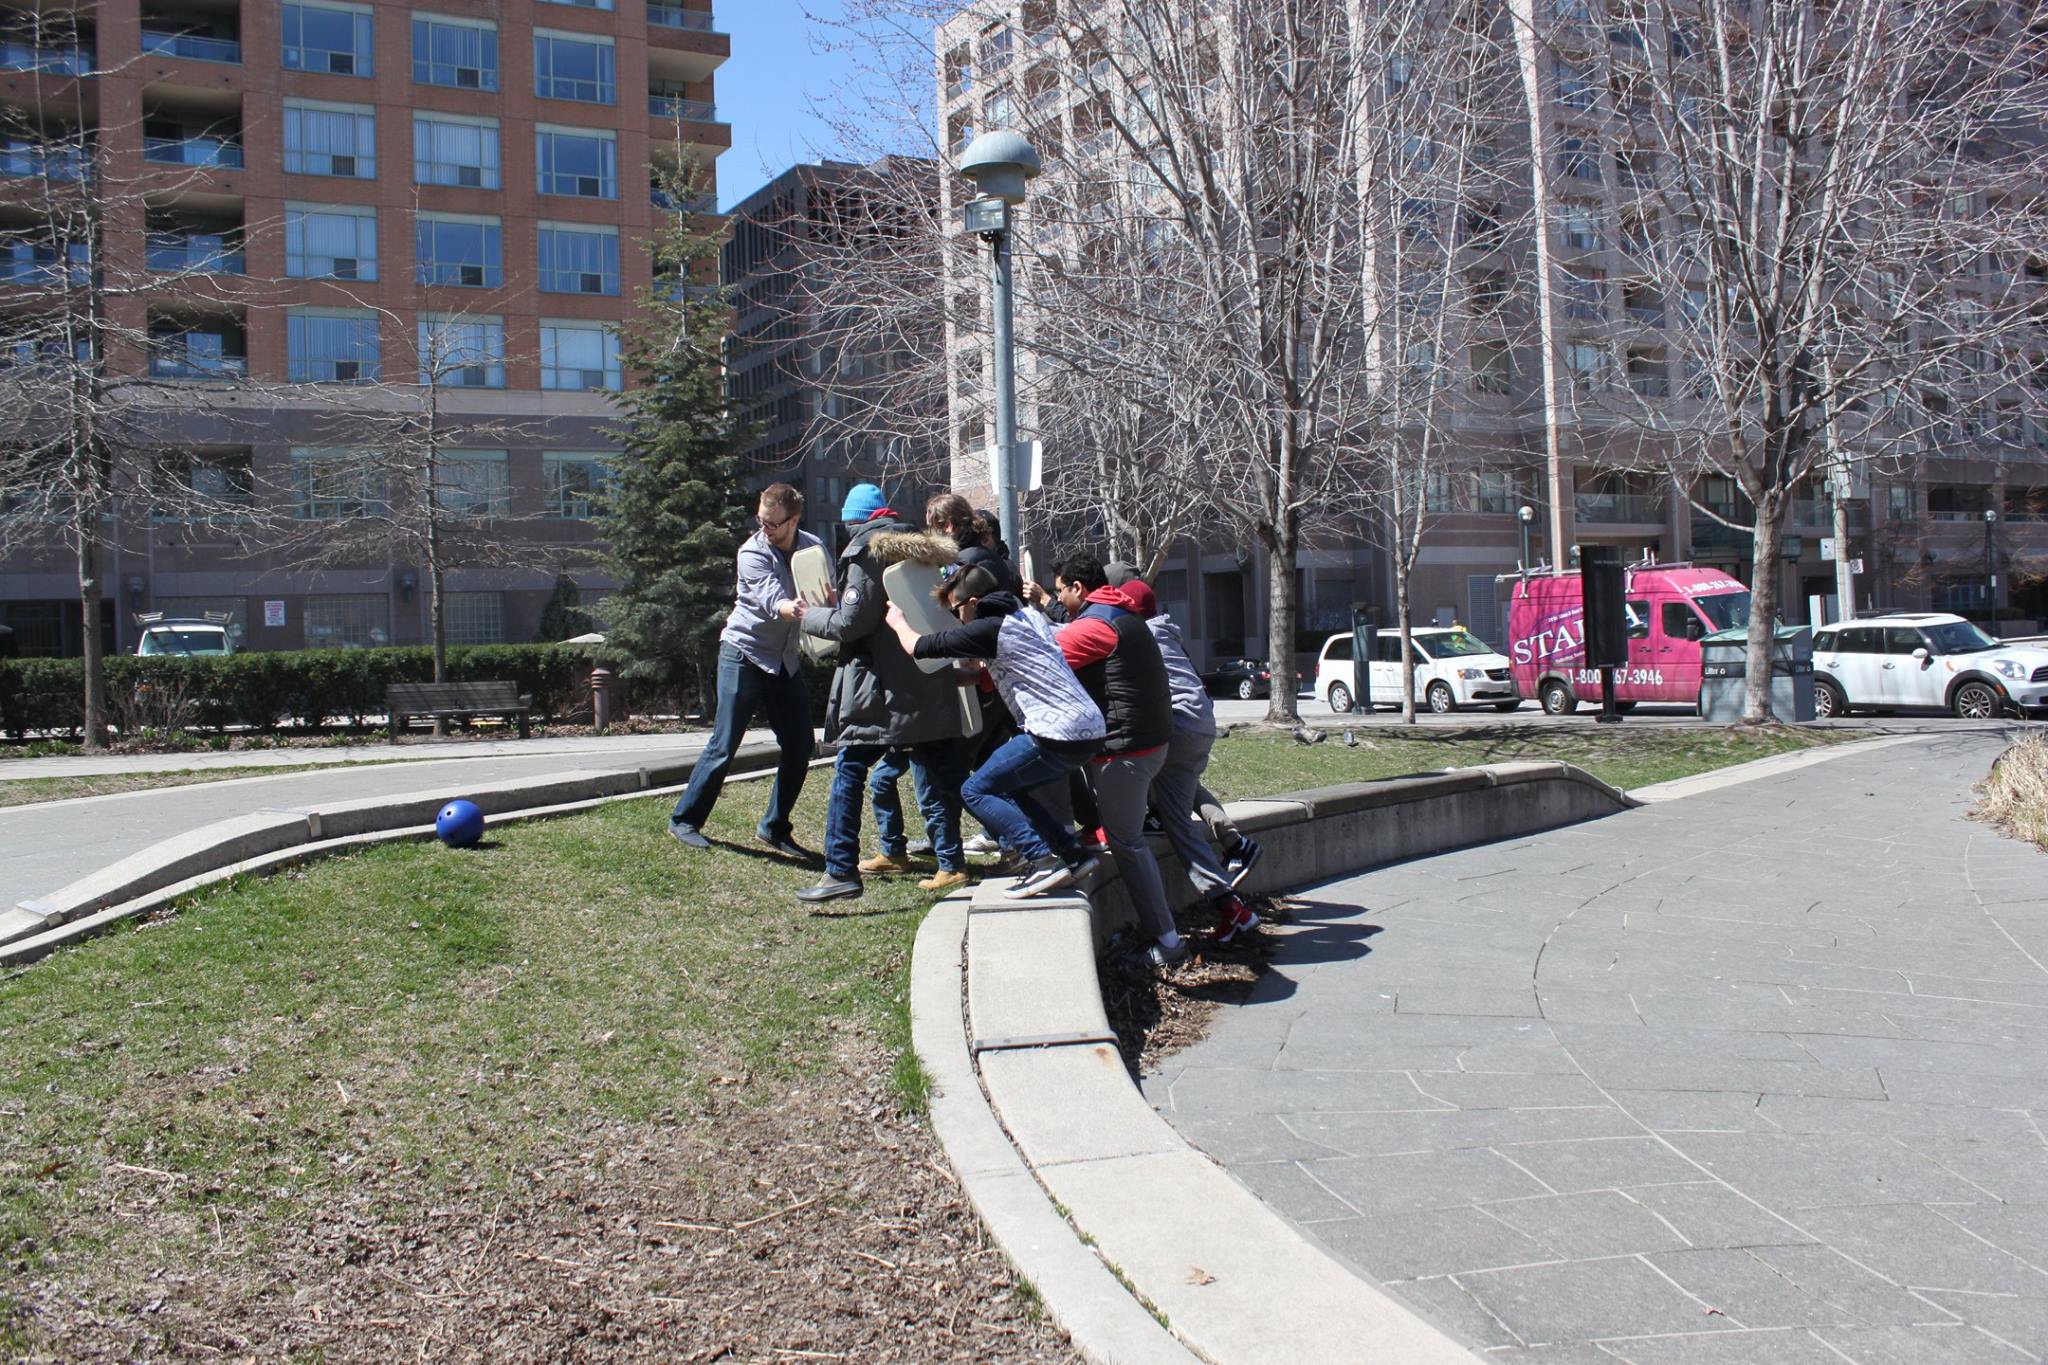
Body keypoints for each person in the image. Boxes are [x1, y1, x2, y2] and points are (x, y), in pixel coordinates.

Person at [883, 564, 1106, 898]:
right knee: (1011, 788)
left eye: (957, 610)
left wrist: (898, 621)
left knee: (974, 789)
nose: (958, 619)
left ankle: (1041, 860)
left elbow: (919, 646)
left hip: (1056, 731)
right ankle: (1073, 855)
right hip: (1087, 730)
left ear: (973, 601)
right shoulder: (1028, 617)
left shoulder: (990, 627)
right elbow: (990, 675)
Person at [796, 483, 970, 903]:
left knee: (850, 768)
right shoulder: (921, 550)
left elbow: (851, 624)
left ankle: (840, 869)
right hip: (925, 679)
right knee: (934, 768)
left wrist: (810, 615)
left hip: (880, 689)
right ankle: (952, 862)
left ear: (852, 521)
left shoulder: (865, 550)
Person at [1043, 556, 1187, 969]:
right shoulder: (1120, 612)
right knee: (1126, 837)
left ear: (1078, 589)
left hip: (1126, 752)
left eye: (1059, 592)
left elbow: (1047, 658)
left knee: (1127, 842)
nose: (1057, 599)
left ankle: (1169, 942)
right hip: (1148, 744)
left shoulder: (1095, 625)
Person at [668, 483, 820, 858]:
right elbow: (773, 600)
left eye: (772, 523)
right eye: (761, 520)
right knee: (725, 743)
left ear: (793, 520)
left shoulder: (812, 548)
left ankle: (774, 827)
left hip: (784, 660)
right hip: (744, 654)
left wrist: (828, 605)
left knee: (801, 746)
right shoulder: (751, 553)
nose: (764, 529)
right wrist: (800, 609)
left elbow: (823, 590)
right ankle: (685, 820)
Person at [1111, 575, 1260, 944]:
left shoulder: (1137, 636)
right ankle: (1232, 907)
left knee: (1128, 769)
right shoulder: (1166, 632)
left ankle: (1144, 818)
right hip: (1200, 725)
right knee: (1179, 822)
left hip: (1175, 726)